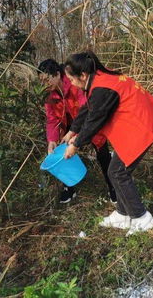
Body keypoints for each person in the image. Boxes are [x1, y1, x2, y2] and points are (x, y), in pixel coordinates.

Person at [61, 51, 153, 235]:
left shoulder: (102, 88)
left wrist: (76, 144)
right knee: (115, 170)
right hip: (136, 122)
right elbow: (88, 108)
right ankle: (123, 213)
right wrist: (73, 130)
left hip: (140, 124)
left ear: (83, 75)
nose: (71, 84)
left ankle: (142, 218)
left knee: (118, 172)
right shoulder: (99, 78)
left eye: (71, 79)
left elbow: (95, 119)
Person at [38, 59, 116, 204]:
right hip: (67, 126)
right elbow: (51, 119)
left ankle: (113, 186)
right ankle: (69, 187)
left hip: (87, 122)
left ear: (56, 74)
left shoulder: (74, 83)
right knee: (62, 154)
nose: (44, 85)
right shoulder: (49, 96)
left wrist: (78, 137)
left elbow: (87, 111)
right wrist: (52, 140)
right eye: (41, 82)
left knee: (102, 153)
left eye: (46, 80)